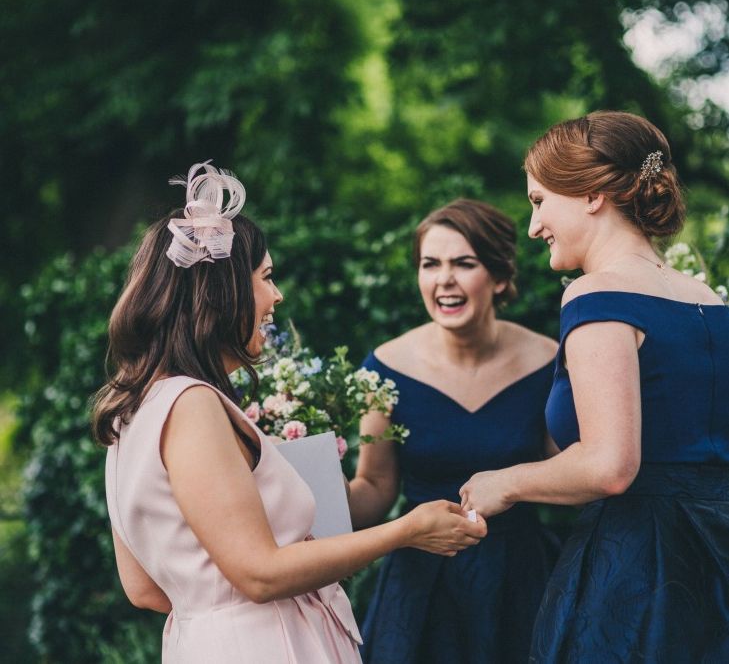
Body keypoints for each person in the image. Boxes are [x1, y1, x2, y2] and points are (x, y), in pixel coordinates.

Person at [92, 162, 486, 664]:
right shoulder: (192, 405)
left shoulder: (129, 411)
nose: (276, 296)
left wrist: (216, 611)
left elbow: (143, 588)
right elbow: (261, 573)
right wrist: (407, 530)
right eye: (267, 277)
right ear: (220, 290)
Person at [459, 111, 729, 662]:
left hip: (644, 571)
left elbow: (610, 465)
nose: (533, 226)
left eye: (539, 201)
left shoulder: (596, 296)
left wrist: (505, 482)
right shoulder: (704, 295)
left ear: (590, 194)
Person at [347, 199, 559, 663]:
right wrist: (305, 485)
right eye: (430, 264)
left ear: (500, 277)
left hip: (517, 579)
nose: (444, 279)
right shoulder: (383, 369)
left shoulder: (551, 361)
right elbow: (375, 489)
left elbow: (574, 475)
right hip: (420, 582)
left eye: (464, 263)